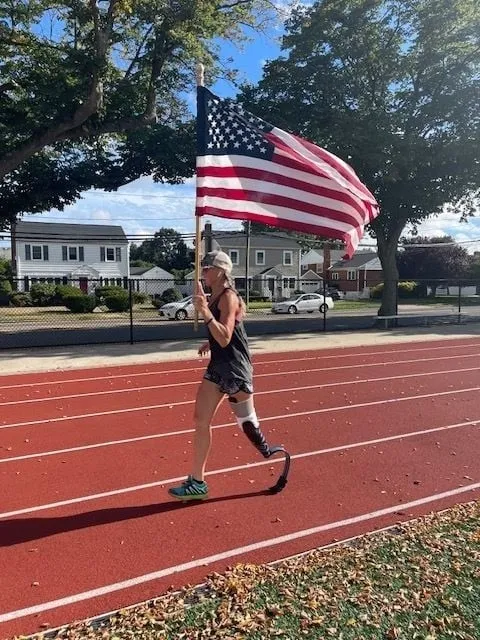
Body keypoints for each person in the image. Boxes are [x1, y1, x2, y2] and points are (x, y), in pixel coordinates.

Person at [168, 250, 290, 501]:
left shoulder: (229, 297)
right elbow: (222, 337)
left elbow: (225, 337)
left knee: (251, 430)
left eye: (207, 268)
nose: (203, 272)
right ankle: (197, 482)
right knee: (200, 419)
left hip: (235, 370)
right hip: (218, 366)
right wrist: (208, 341)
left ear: (221, 271)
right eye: (203, 268)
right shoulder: (215, 295)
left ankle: (275, 455)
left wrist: (205, 313)